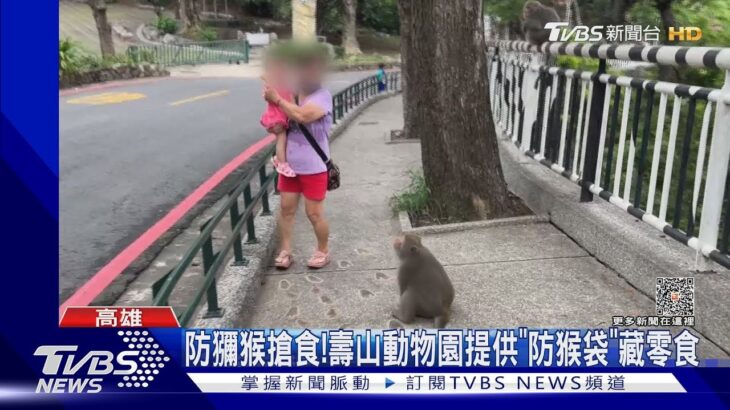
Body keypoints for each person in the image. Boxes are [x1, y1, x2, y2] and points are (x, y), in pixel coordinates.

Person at [263, 48, 333, 270]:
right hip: (290, 167)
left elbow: (302, 116)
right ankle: (285, 251)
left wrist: (278, 101)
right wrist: (274, 123)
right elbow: (279, 122)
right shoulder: (290, 94)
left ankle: (323, 250)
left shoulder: (322, 96)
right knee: (286, 209)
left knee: (313, 213)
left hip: (314, 167)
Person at [260, 50, 296, 177]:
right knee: (282, 139)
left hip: (276, 117)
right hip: (277, 118)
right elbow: (291, 102)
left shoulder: (275, 84)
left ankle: (278, 159)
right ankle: (282, 164)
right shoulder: (278, 84)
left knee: (282, 139)